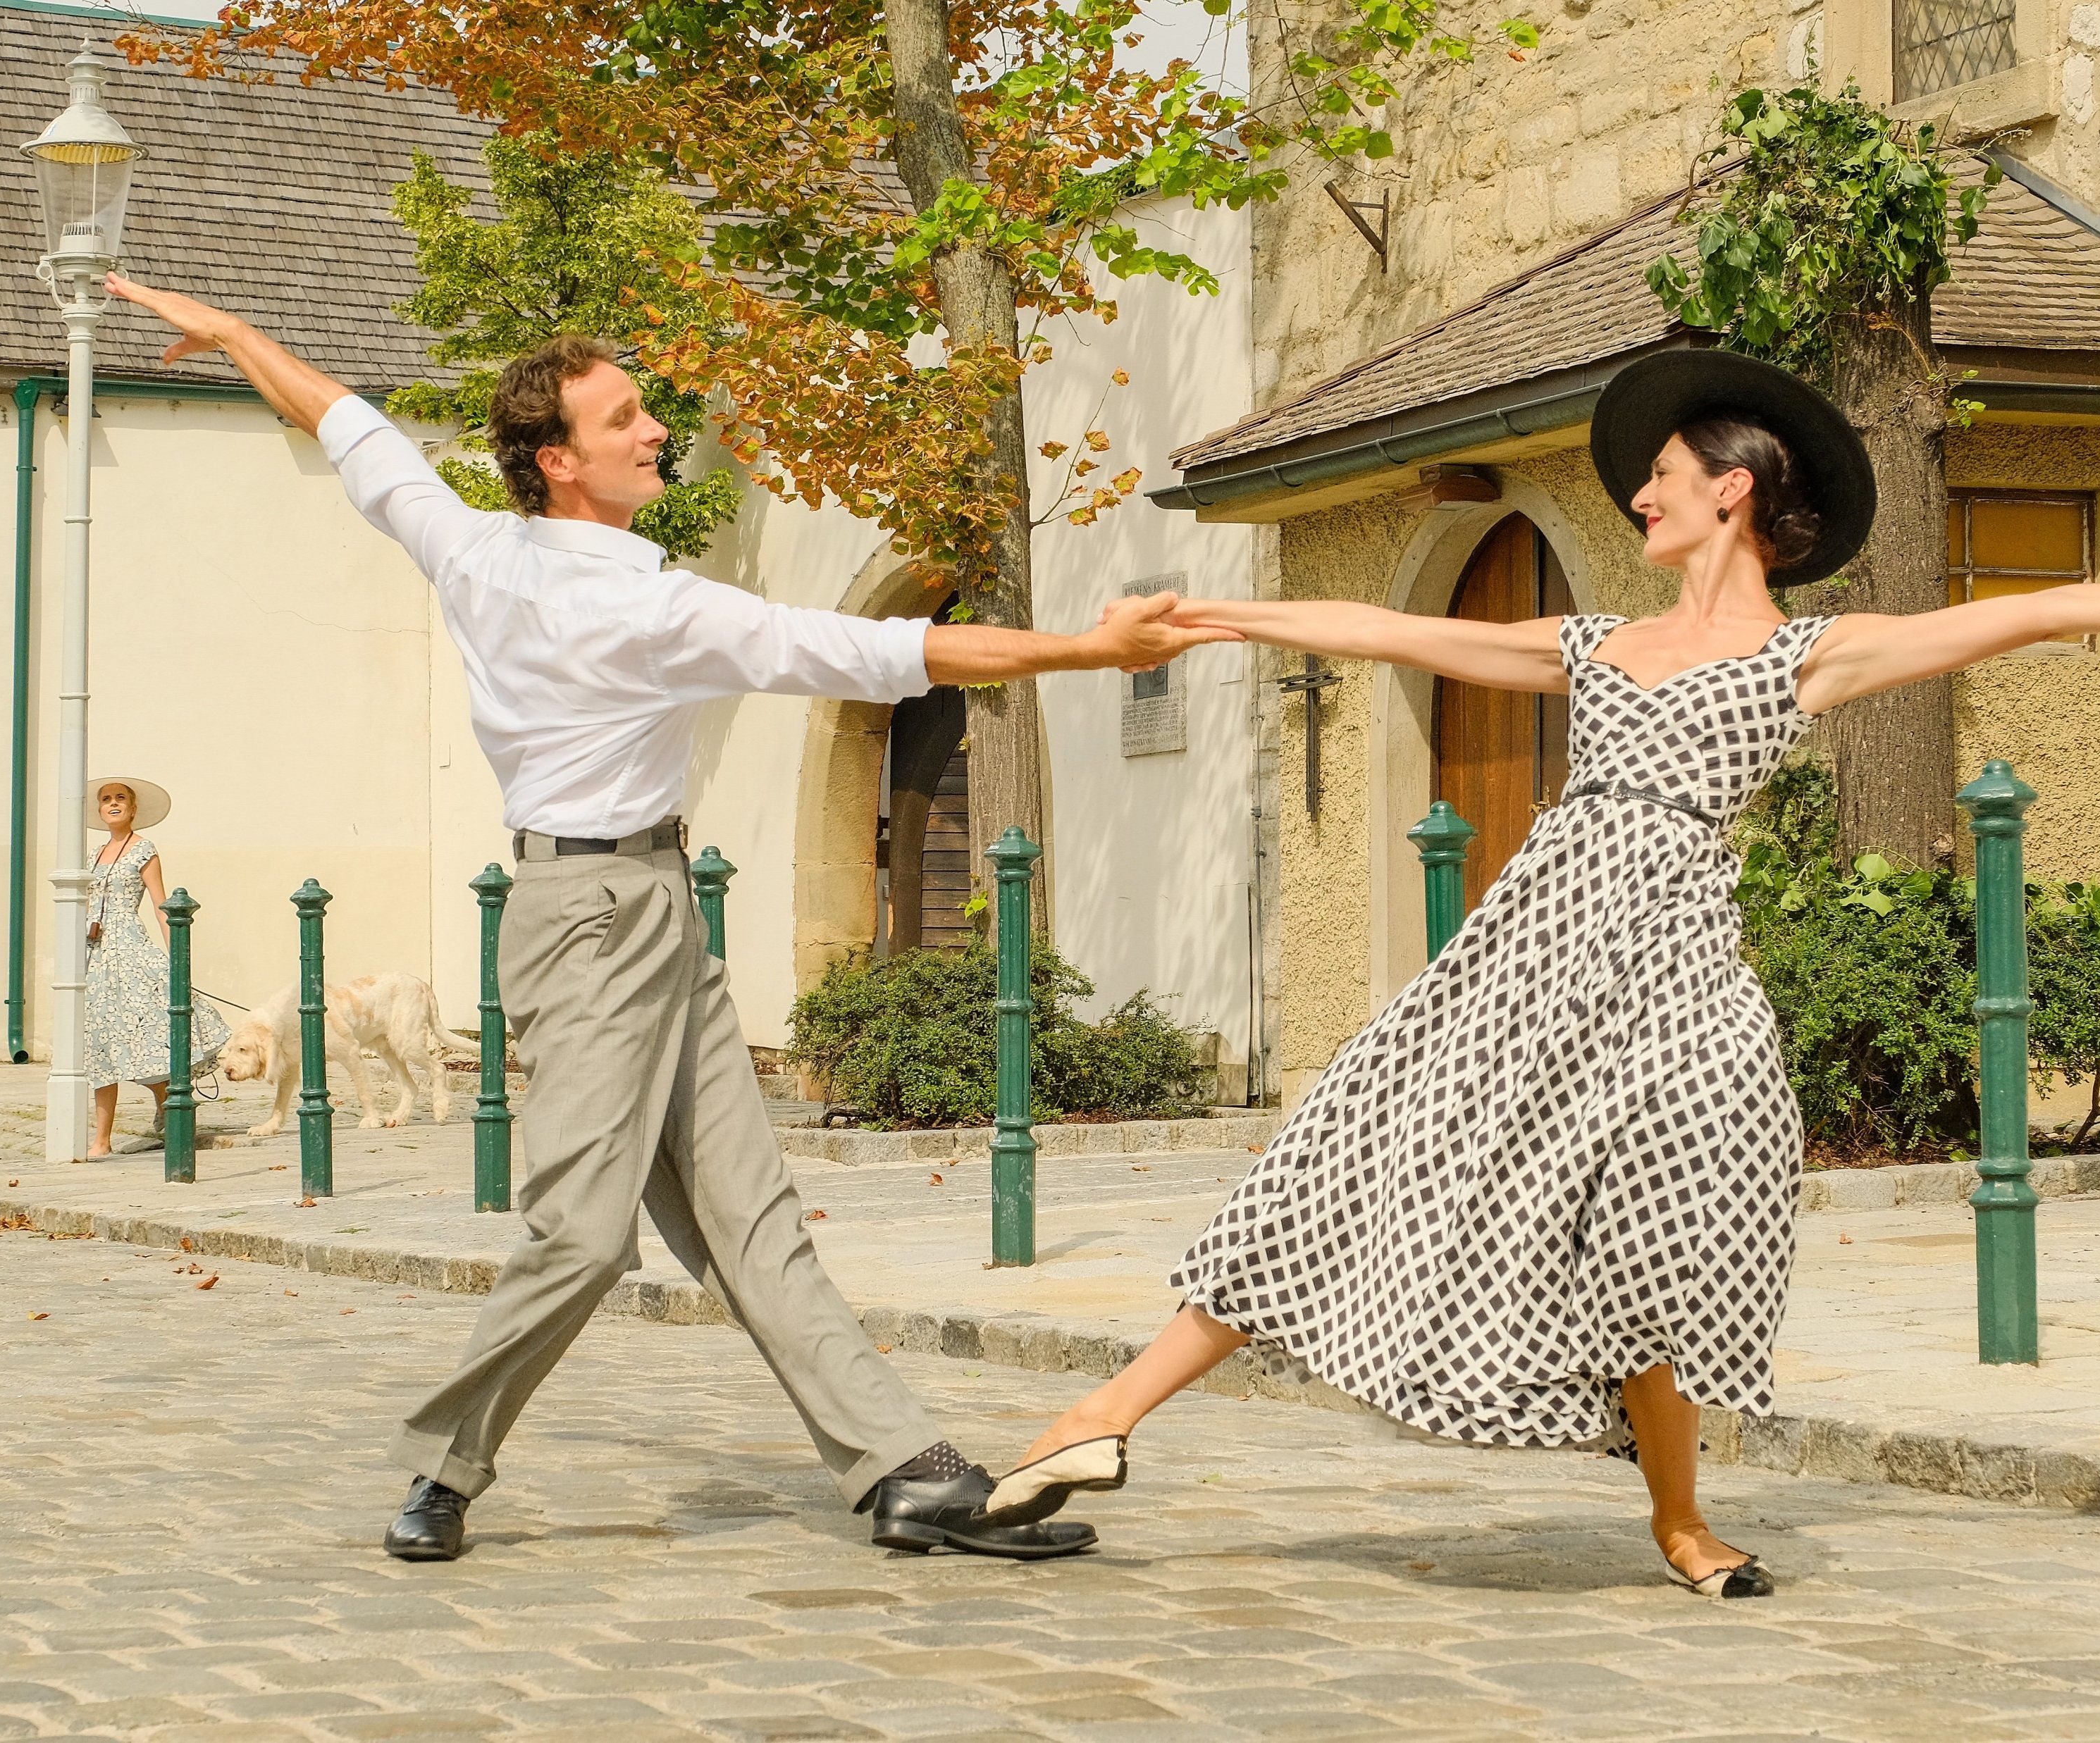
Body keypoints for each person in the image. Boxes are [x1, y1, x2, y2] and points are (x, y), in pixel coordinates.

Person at [980, 349, 2100, 1598]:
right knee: (1346, 1155)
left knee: (1685, 1205)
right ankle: (1097, 1413)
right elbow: (1388, 629)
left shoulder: (1805, 656)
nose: (1640, 494)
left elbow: (2041, 609)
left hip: (1677, 969)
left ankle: (1678, 1516)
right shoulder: (1592, 643)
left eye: (1662, 474)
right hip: (1525, 965)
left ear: (1732, 488)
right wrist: (1219, 615)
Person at [107, 272, 1235, 1565]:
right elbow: (887, 657)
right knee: (583, 1233)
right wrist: (1091, 654)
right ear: (559, 460)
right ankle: (439, 1463)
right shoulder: (651, 606)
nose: (655, 429)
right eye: (627, 416)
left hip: (643, 902)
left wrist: (242, 327)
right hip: (588, 920)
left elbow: (345, 425)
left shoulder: (469, 541)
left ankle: (903, 1469)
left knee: (751, 1214)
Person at [82, 776, 229, 1159]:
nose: (112, 803)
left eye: (120, 799)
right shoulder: (92, 856)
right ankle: (102, 1139)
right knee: (102, 1041)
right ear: (100, 810)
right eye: (106, 799)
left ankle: (167, 1098)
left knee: (149, 1030)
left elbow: (161, 905)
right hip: (94, 954)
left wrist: (177, 957)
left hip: (131, 949)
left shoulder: (144, 850)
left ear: (133, 809)